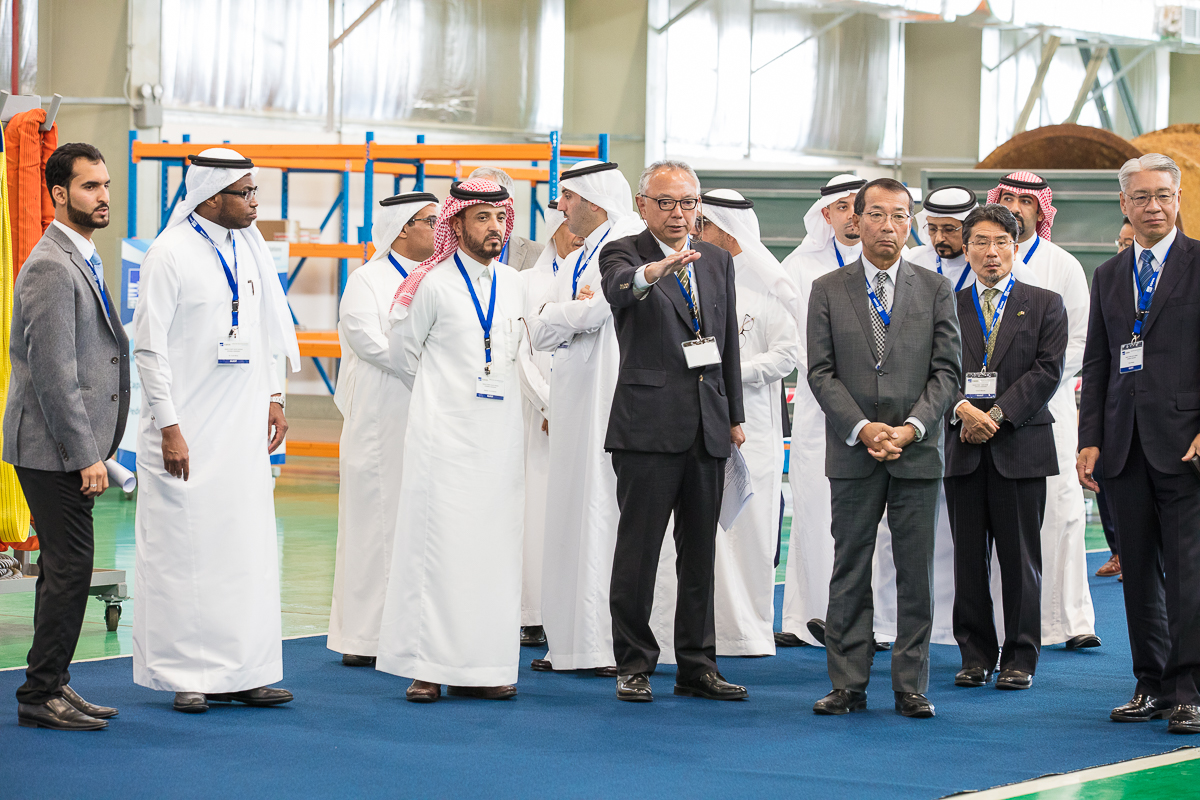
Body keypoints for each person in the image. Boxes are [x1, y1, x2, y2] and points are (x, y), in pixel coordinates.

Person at [133, 148, 301, 714]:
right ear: (210, 195)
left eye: (256, 192)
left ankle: (247, 670)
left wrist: (275, 395)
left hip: (243, 429)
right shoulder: (169, 253)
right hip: (186, 430)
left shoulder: (249, 250)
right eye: (246, 194)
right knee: (186, 552)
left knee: (246, 548)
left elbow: (265, 330)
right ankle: (188, 675)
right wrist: (169, 426)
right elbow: (150, 349)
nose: (256, 203)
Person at [806, 177, 961, 719]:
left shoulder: (935, 289)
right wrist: (863, 428)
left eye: (899, 216)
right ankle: (847, 683)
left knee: (915, 572)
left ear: (910, 222)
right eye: (877, 214)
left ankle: (910, 684)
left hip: (916, 452)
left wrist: (912, 428)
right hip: (852, 451)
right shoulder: (827, 288)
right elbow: (820, 373)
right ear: (858, 219)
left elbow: (947, 373)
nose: (887, 226)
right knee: (850, 566)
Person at [599, 160, 746, 703]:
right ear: (643, 206)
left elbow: (727, 339)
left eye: (688, 202)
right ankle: (633, 662)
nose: (679, 213)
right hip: (647, 429)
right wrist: (652, 274)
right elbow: (619, 290)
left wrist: (733, 417)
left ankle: (697, 665)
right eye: (666, 202)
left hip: (707, 428)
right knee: (638, 551)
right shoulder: (623, 253)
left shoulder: (716, 260)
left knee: (699, 554)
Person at [377, 179, 527, 703]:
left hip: (501, 440)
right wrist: (445, 400)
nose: (494, 228)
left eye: (500, 218)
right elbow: (402, 357)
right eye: (482, 218)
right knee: (436, 551)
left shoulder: (514, 283)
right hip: (443, 439)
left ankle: (485, 665)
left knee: (493, 552)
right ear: (457, 223)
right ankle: (427, 666)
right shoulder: (430, 283)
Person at [5, 143, 129, 731]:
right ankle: (38, 694)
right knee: (72, 566)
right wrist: (86, 455)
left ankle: (53, 683)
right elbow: (53, 373)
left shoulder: (81, 256)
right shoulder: (53, 265)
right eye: (89, 187)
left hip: (65, 447)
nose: (103, 196)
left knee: (65, 568)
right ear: (59, 194)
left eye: (105, 185)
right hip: (51, 448)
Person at [1078, 153, 1200, 735]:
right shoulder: (1109, 275)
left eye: (1163, 195)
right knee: (1138, 576)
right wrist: (1090, 440)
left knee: (1188, 573)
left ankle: (1189, 689)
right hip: (1123, 448)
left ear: (1177, 199)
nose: (1153, 206)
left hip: (1185, 448)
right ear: (1124, 205)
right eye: (1141, 198)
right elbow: (1097, 363)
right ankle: (1149, 684)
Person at [525, 161, 645, 675]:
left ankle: (599, 645)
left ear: (592, 200)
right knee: (574, 510)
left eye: (567, 197)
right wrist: (560, 317)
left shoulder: (622, 242)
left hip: (606, 396)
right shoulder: (590, 248)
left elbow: (594, 313)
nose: (560, 207)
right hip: (578, 394)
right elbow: (562, 320)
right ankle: (573, 642)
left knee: (599, 511)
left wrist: (554, 317)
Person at [944, 204, 1067, 691]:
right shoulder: (945, 305)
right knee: (967, 560)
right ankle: (975, 654)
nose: (990, 252)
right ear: (966, 248)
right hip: (961, 446)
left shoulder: (1044, 302)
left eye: (1000, 243)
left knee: (1021, 559)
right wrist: (961, 410)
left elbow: (1047, 371)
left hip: (1020, 444)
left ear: (1015, 247)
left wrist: (994, 415)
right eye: (980, 242)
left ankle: (1020, 656)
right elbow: (934, 372)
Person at [989, 171, 1099, 651]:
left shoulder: (1064, 265)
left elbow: (1080, 342)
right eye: (1006, 198)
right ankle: (1005, 624)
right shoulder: (984, 261)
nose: (1015, 206)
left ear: (1041, 209)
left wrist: (1031, 385)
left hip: (1049, 408)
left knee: (1062, 512)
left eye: (1024, 201)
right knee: (1003, 519)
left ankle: (1069, 621)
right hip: (988, 413)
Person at [328, 191, 438, 668]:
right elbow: (371, 343)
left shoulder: (438, 279)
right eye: (432, 222)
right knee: (374, 525)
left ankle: (409, 632)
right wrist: (434, 371)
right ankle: (364, 637)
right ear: (402, 229)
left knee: (416, 523)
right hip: (379, 418)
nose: (441, 230)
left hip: (426, 415)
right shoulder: (367, 280)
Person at [691, 189, 799, 656]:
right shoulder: (693, 280)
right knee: (703, 528)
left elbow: (788, 355)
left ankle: (748, 632)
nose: (696, 234)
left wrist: (733, 370)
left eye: (704, 227)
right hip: (699, 421)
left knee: (750, 526)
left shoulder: (769, 291)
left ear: (728, 233)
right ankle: (703, 629)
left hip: (753, 425)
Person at [778, 175, 883, 649]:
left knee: (875, 518)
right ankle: (810, 617)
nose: (852, 214)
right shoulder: (800, 267)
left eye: (859, 206)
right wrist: (841, 388)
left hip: (881, 411)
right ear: (826, 215)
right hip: (821, 411)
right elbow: (795, 342)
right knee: (816, 509)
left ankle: (873, 622)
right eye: (842, 207)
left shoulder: (887, 262)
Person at [883, 185, 980, 649]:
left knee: (964, 533)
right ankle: (895, 626)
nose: (941, 238)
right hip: (917, 417)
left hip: (982, 422)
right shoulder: (915, 265)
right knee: (908, 532)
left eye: (952, 230)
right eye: (934, 228)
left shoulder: (989, 266)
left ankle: (964, 630)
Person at [517, 199, 583, 649]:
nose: (576, 235)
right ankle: (532, 612)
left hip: (584, 417)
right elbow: (520, 351)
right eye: (568, 227)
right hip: (536, 417)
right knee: (535, 512)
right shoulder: (526, 281)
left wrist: (573, 407)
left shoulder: (595, 277)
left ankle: (571, 610)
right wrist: (550, 406)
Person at [1093, 219, 1134, 581]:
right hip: (1114, 411)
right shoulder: (1107, 278)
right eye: (1119, 243)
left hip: (1167, 418)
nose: (1123, 249)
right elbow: (1096, 360)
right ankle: (1119, 551)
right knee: (1105, 482)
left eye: (1129, 243)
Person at [468, 167, 545, 271]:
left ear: (508, 203)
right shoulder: (455, 255)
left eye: (487, 195)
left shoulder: (539, 255)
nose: (478, 204)